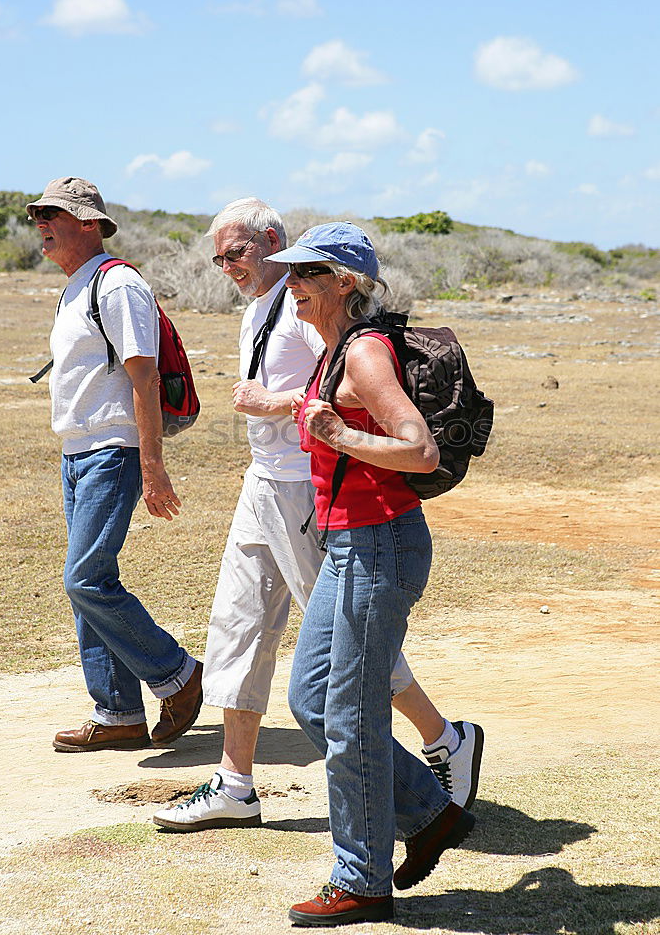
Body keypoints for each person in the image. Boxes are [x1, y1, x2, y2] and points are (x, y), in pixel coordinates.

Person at [153, 199, 482, 834]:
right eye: (218, 257)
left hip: (313, 492)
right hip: (265, 484)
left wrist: (273, 403)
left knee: (344, 650)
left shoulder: (316, 315)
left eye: (238, 253)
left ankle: (443, 740)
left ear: (274, 243)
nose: (228, 266)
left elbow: (332, 391)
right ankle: (234, 781)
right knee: (238, 621)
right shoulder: (265, 307)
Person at [264, 222, 475, 926]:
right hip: (352, 547)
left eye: (305, 275)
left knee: (349, 713)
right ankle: (426, 814)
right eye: (289, 273)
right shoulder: (335, 354)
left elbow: (415, 449)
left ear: (344, 282)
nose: (289, 285)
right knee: (314, 699)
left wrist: (341, 435)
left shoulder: (364, 354)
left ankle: (360, 877)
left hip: (377, 547)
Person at [28, 177, 203, 753]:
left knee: (84, 578)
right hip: (77, 453)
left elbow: (144, 376)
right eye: (38, 215)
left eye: (52, 214)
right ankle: (119, 713)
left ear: (89, 222)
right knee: (90, 584)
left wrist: (152, 464)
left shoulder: (119, 283)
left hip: (112, 451)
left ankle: (178, 674)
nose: (40, 224)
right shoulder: (76, 287)